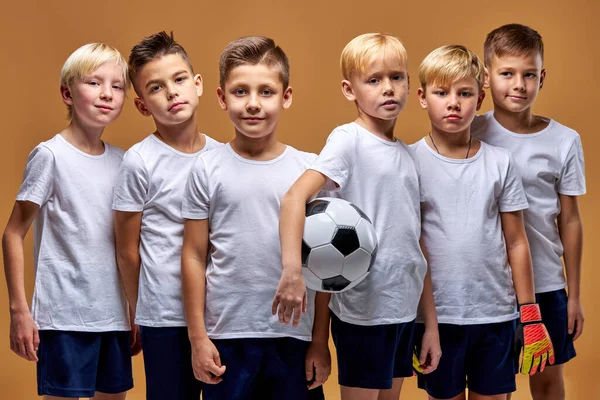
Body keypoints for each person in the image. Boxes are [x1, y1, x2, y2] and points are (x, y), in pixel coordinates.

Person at [275, 33, 441, 400]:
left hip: (402, 311)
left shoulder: (407, 156)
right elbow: (294, 199)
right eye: (374, 80)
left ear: (410, 83)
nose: (388, 89)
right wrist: (292, 272)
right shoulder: (347, 140)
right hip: (363, 314)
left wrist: (429, 323)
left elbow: (417, 245)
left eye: (397, 77)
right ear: (350, 90)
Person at [181, 36, 329, 400]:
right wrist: (198, 337)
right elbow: (194, 255)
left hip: (292, 336)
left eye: (266, 92)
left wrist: (320, 342)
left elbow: (324, 264)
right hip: (227, 337)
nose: (252, 104)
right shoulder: (206, 168)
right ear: (221, 98)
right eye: (240, 92)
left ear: (286, 96)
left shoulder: (308, 170)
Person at [413, 44, 554, 400]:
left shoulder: (500, 162)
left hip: (494, 313)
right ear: (422, 97)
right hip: (437, 317)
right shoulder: (409, 161)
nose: (453, 103)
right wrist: (426, 321)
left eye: (465, 93)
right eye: (441, 93)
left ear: (480, 99)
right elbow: (411, 242)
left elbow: (517, 241)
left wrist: (531, 316)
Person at [2, 43, 134, 399]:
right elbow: (13, 233)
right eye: (94, 82)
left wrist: (135, 309)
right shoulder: (51, 156)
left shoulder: (124, 162)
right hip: (64, 318)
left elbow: (128, 246)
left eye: (117, 86)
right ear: (67, 93)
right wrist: (20, 311)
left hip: (114, 318)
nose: (107, 93)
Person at [472, 23, 586, 400]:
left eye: (529, 74)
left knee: (549, 379)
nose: (518, 84)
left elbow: (569, 220)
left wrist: (573, 295)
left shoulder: (564, 141)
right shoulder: (469, 132)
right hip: (489, 287)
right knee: (494, 384)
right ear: (486, 77)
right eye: (507, 73)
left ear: (542, 77)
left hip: (547, 284)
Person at [112, 31, 220, 400]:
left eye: (179, 79)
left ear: (198, 83)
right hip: (165, 316)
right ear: (143, 105)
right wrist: (141, 310)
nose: (172, 92)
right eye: (156, 87)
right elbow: (127, 250)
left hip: (221, 312)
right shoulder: (140, 162)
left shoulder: (223, 156)